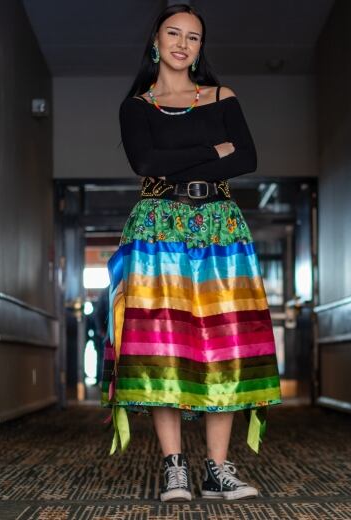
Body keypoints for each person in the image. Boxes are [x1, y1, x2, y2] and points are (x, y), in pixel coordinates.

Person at [101, 3, 282, 503]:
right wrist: (212, 152)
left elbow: (247, 157)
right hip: (158, 227)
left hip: (221, 225)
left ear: (202, 48)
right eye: (173, 33)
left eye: (194, 37)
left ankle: (218, 470)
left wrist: (190, 160)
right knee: (166, 346)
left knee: (224, 344)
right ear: (155, 42)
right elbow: (145, 161)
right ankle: (175, 468)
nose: (183, 44)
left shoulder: (223, 96)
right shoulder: (137, 106)